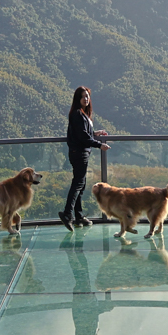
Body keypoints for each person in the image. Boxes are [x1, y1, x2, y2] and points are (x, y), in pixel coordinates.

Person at [60, 86, 110, 231]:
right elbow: (82, 137)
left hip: (79, 152)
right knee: (78, 184)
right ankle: (68, 214)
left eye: (87, 96)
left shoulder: (81, 114)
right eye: (83, 96)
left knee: (80, 185)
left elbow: (83, 133)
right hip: (79, 153)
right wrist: (99, 145)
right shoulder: (77, 114)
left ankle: (78, 216)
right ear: (78, 99)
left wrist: (94, 133)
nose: (86, 99)